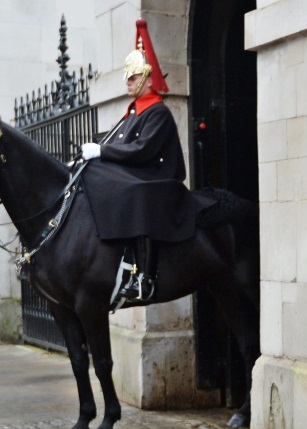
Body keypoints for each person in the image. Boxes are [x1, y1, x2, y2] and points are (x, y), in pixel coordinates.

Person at [79, 18, 209, 304]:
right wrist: (92, 153)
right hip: (139, 174)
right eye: (127, 77)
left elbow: (142, 150)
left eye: (134, 77)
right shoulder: (133, 113)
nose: (128, 81)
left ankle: (145, 277)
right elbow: (118, 144)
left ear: (149, 79)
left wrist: (102, 152)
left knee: (136, 193)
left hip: (160, 177)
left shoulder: (158, 112)